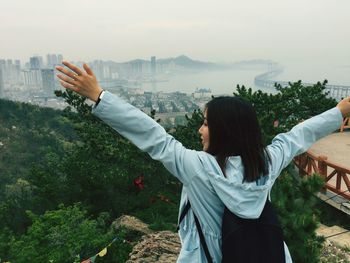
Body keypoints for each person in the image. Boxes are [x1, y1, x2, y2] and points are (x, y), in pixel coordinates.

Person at [56, 61, 350, 263]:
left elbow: (154, 137)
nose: (200, 129)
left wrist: (99, 96)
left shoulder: (197, 168)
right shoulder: (267, 163)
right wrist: (339, 111)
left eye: (206, 123)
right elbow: (299, 136)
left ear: (224, 131)